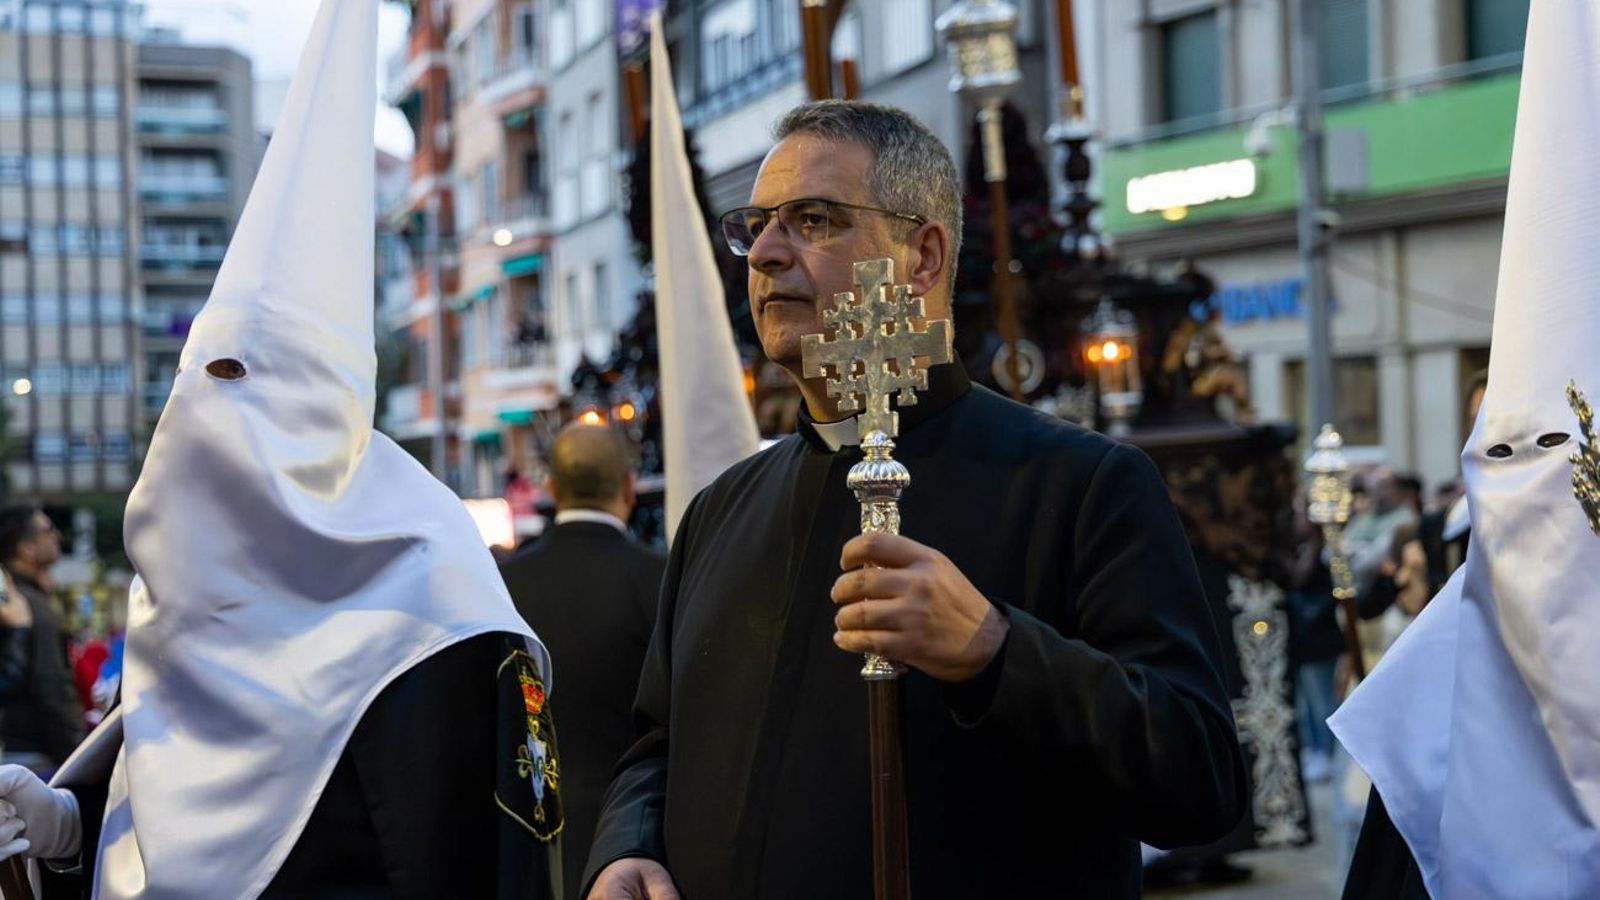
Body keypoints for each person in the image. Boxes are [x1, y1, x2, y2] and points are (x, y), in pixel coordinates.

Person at [584, 100, 1245, 900]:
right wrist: (626, 849)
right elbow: (657, 745)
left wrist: (995, 651)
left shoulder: (1077, 485)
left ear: (923, 256)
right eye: (754, 225)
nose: (762, 253)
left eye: (813, 219)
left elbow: (1199, 776)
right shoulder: (721, 509)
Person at [0, 2, 561, 896]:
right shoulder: (183, 596)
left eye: (244, 377)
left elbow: (489, 859)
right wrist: (70, 827)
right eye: (200, 378)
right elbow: (161, 802)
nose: (212, 415)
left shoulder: (441, 600)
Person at [502, 423, 666, 900]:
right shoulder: (660, 580)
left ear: (551, 488)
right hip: (633, 839)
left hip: (527, 829)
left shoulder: (504, 586)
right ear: (629, 487)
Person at [0, 508, 83, 771]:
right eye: (48, 530)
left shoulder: (14, 599)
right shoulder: (30, 606)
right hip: (32, 758)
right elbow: (52, 688)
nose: (57, 536)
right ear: (26, 548)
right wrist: (79, 756)